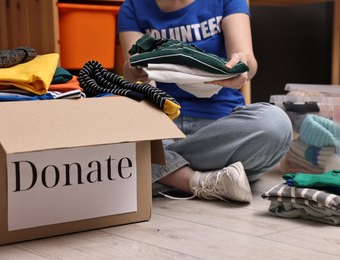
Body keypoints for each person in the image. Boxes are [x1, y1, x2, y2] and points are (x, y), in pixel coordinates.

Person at [117, 0, 293, 202]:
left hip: (222, 131)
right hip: (165, 125)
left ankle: (171, 176)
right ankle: (202, 181)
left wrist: (242, 64)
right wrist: (134, 70)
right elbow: (136, 74)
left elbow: (248, 61)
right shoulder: (132, 7)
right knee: (113, 128)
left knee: (275, 123)